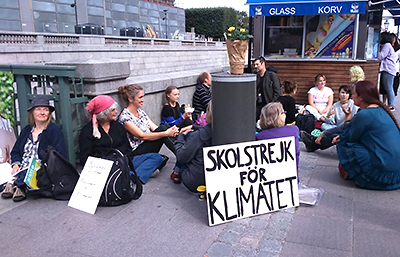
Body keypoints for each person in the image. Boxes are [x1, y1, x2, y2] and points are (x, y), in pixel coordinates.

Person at [79, 95, 162, 184]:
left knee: (157, 157)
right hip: (106, 166)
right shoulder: (88, 131)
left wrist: (126, 160)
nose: (116, 112)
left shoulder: (118, 126)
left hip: (123, 161)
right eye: (112, 110)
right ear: (104, 112)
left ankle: (130, 177)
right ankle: (133, 175)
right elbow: (85, 158)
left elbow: (127, 148)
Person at [335, 80, 400, 190]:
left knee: (343, 143)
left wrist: (346, 122)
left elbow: (350, 137)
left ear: (361, 97)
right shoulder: (382, 110)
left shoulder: (364, 114)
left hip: (383, 171)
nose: (352, 96)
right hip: (397, 173)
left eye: (354, 93)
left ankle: (361, 177)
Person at [2, 95, 66, 202]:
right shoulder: (26, 130)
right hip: (22, 167)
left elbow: (59, 154)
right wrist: (16, 164)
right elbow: (16, 151)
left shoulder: (54, 131)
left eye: (45, 110)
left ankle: (16, 185)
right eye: (39, 109)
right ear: (32, 112)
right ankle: (15, 184)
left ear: (49, 113)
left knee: (28, 171)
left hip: (40, 167)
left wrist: (35, 164)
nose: (42, 113)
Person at [118, 84, 178, 156]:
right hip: (136, 151)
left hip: (148, 143)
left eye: (143, 97)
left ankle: (183, 153)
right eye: (140, 97)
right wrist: (166, 133)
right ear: (130, 99)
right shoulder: (125, 117)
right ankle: (183, 156)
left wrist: (172, 131)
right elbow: (141, 136)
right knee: (163, 130)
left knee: (164, 127)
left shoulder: (140, 112)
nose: (143, 100)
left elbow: (155, 128)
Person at [171, 102, 212, 192]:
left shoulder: (199, 136)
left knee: (188, 141)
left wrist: (180, 136)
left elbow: (181, 157)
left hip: (196, 182)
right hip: (214, 178)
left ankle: (176, 171)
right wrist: (193, 126)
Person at [256, 102, 300, 177]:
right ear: (280, 116)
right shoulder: (293, 130)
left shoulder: (259, 137)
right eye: (283, 112)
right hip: (290, 179)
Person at [378, 32, 396, 111]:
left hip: (388, 69)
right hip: (389, 69)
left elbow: (381, 56)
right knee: (388, 87)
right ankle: (391, 104)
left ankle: (391, 105)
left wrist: (376, 50)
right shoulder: (388, 46)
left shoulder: (387, 45)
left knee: (388, 87)